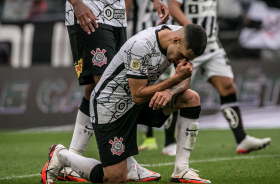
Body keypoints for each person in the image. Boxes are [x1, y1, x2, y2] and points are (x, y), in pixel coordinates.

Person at [41, 23, 210, 183]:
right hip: (110, 106)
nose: (181, 61)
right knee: (114, 178)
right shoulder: (141, 46)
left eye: (186, 59)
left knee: (191, 98)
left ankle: (181, 169)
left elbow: (184, 77)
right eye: (182, 56)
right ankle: (61, 154)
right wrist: (173, 80)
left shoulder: (180, 36)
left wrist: (170, 91)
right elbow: (138, 94)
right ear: (175, 40)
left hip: (137, 103)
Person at [55, 0, 169, 182]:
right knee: (112, 89)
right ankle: (127, 162)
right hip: (90, 12)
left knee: (94, 89)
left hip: (117, 16)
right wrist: (76, 3)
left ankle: (70, 161)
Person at [169, 0, 271, 154]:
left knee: (228, 87)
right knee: (176, 90)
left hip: (212, 44)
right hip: (189, 44)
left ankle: (241, 139)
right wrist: (194, 31)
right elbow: (173, 8)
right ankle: (169, 142)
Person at [125, 0, 178, 156]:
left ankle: (169, 141)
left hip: (167, 39)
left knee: (167, 87)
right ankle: (149, 138)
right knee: (142, 88)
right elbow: (126, 12)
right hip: (143, 39)